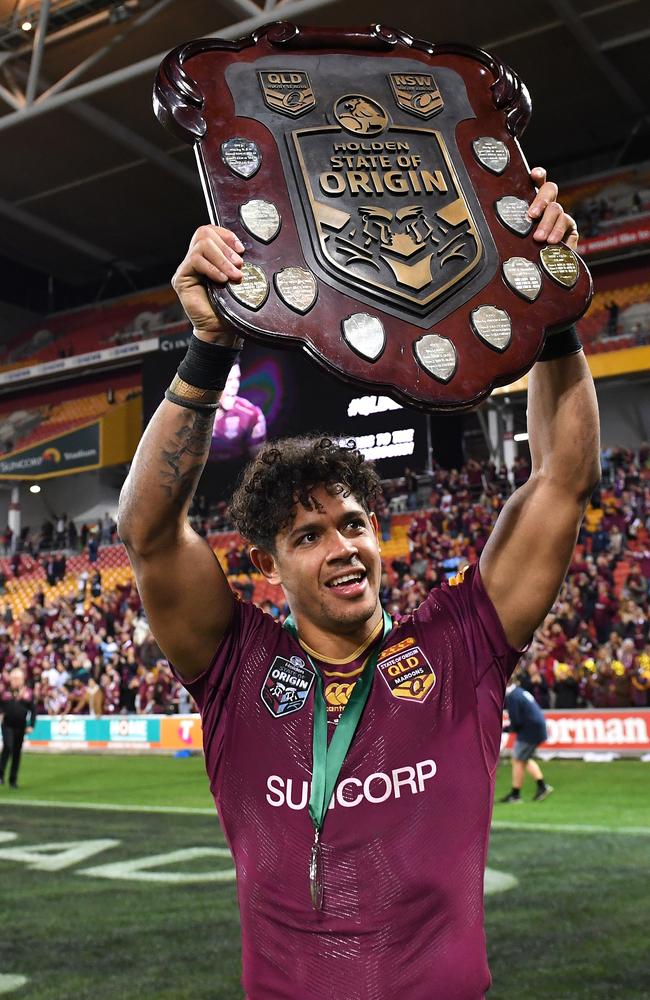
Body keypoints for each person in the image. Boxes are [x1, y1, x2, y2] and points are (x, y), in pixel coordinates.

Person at [117, 167, 601, 998]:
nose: (341, 547)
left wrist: (550, 308)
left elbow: (560, 479)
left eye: (352, 524)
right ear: (269, 565)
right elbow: (150, 531)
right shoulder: (237, 669)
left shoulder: (460, 649)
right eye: (307, 535)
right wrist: (210, 347)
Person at [500, 682, 553, 803]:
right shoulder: (519, 691)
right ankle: (541, 787)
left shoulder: (512, 696)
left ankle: (516, 794)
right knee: (523, 758)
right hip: (536, 727)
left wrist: (505, 729)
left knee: (518, 759)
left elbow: (516, 721)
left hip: (530, 730)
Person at [0, 667, 36, 788]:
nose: (15, 681)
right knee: (8, 747)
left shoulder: (28, 693)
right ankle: (0, 775)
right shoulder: (5, 692)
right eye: (13, 678)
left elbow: (33, 710)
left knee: (17, 753)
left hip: (21, 726)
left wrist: (31, 725)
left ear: (22, 679)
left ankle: (13, 780)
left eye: (17, 678)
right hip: (7, 724)